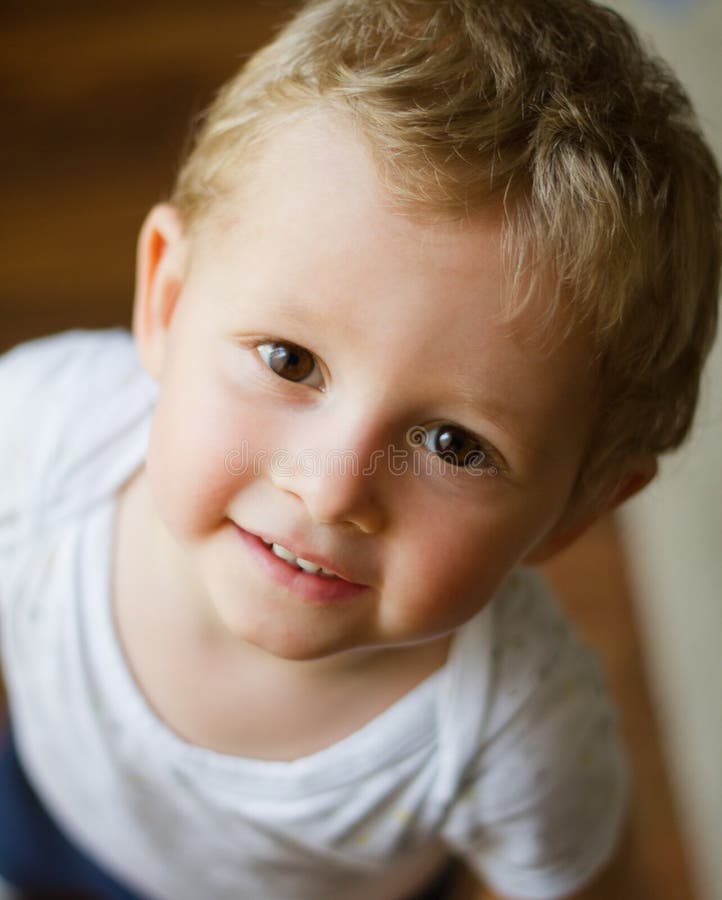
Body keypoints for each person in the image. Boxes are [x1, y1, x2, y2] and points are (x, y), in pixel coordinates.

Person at [0, 0, 719, 898]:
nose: (333, 490)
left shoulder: (517, 730)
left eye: (456, 444)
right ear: (168, 300)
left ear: (579, 508)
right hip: (47, 818)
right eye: (289, 360)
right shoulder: (37, 436)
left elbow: (589, 882)